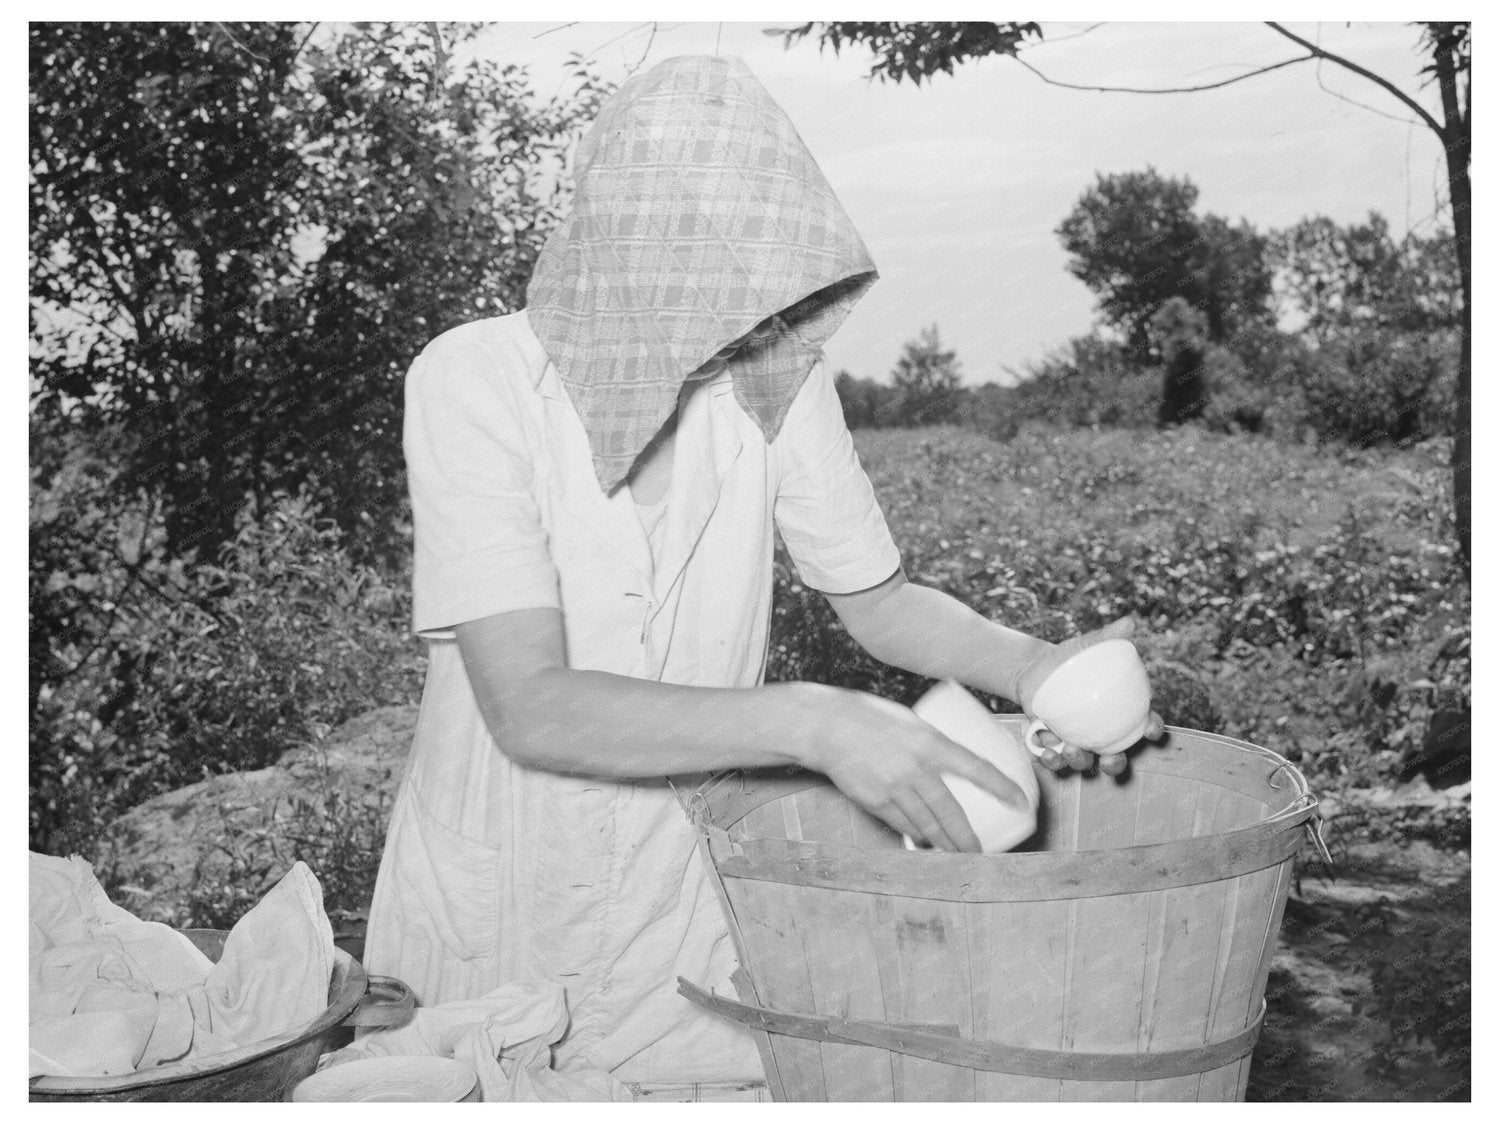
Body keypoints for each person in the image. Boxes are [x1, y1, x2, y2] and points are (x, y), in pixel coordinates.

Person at [364, 55, 1163, 1101]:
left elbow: (876, 600)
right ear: (617, 237)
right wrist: (815, 720)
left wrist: (1038, 665)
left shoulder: (770, 384)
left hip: (675, 893)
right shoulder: (476, 380)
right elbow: (529, 705)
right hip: (500, 885)